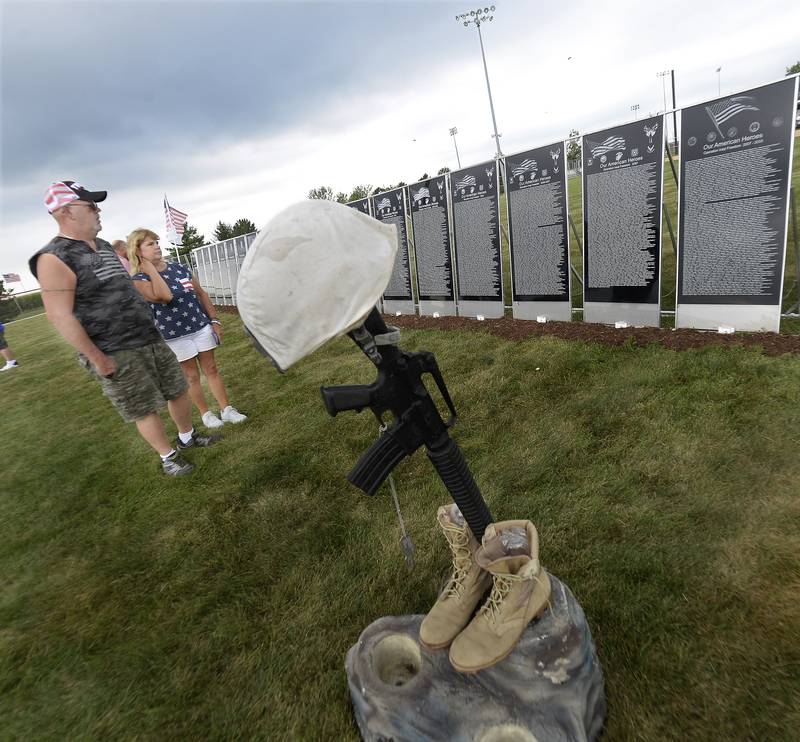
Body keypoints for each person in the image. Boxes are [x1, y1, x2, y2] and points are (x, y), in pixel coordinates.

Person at [30, 180, 219, 476]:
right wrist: (97, 358)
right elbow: (60, 316)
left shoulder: (104, 247)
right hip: (114, 349)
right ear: (67, 211)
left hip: (149, 337)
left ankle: (187, 437)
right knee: (143, 406)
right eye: (91, 205)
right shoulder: (53, 258)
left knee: (177, 388)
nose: (98, 209)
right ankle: (168, 457)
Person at [127, 228, 247, 429]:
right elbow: (164, 297)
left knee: (212, 369)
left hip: (200, 327)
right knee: (191, 376)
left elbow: (201, 294)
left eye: (156, 242)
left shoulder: (179, 268)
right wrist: (151, 270)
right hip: (174, 336)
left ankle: (227, 409)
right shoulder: (139, 280)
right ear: (138, 251)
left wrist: (214, 321)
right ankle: (206, 414)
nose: (157, 246)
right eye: (150, 244)